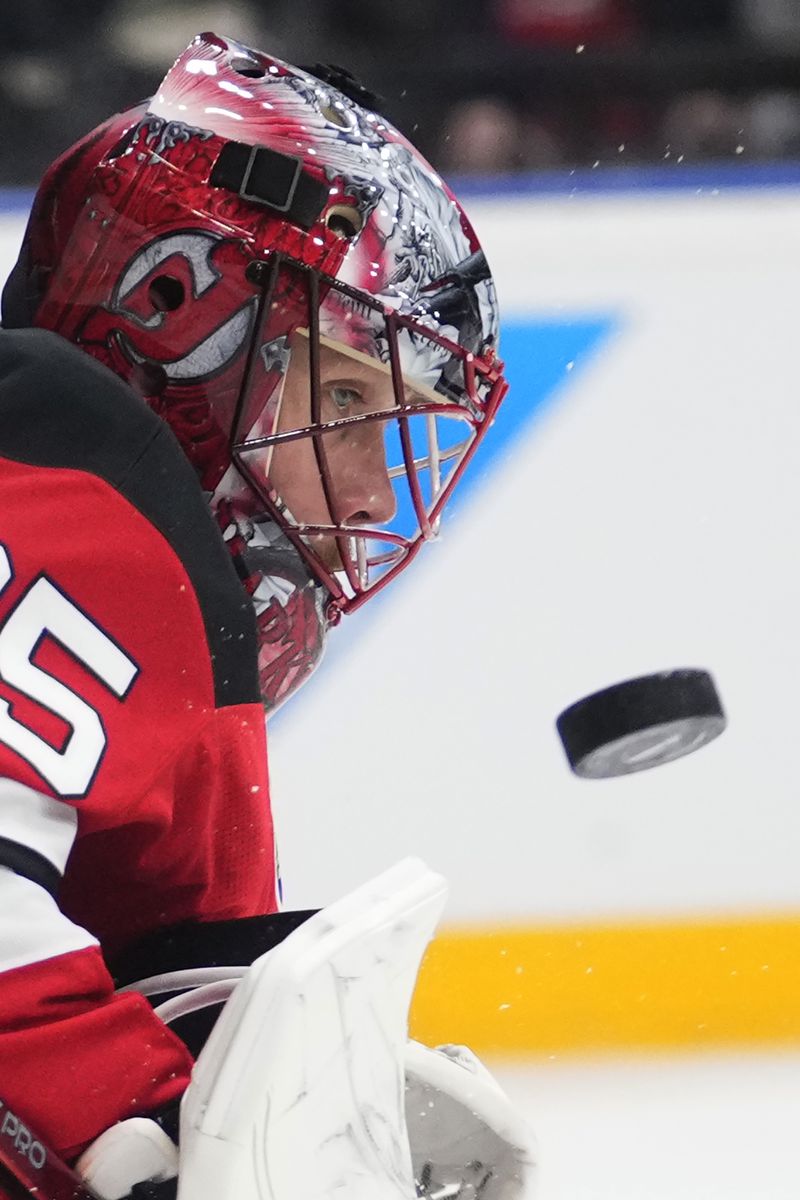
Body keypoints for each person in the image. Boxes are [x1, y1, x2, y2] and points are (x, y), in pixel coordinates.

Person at [0, 30, 510, 1197]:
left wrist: (302, 1087)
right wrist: (130, 1128)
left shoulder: (141, 580)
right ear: (166, 314)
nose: (376, 492)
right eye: (339, 394)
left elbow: (113, 947)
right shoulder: (72, 497)